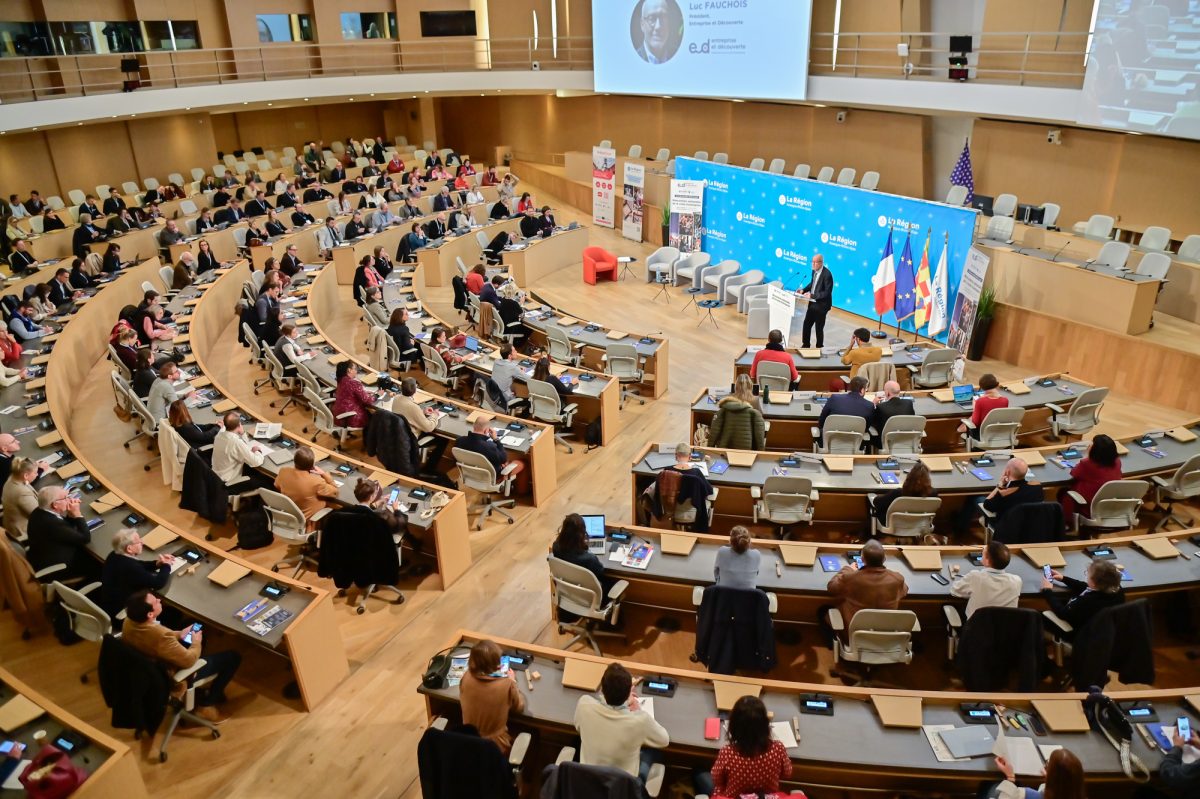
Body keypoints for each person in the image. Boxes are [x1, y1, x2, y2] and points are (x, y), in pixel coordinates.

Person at [122, 589, 241, 725]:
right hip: (173, 675)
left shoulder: (129, 621)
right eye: (156, 602)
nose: (159, 600)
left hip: (150, 664)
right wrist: (196, 642)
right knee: (233, 658)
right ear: (150, 614)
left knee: (192, 623)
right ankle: (207, 705)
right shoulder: (162, 637)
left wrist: (179, 634)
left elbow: (156, 636)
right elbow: (189, 661)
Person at [574, 662, 669, 783]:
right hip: (622, 789)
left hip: (588, 785)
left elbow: (578, 727)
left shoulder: (584, 705)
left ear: (602, 688)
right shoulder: (640, 721)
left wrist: (625, 702)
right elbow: (664, 740)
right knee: (654, 752)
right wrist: (637, 710)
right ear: (629, 692)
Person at [693, 695, 793, 799]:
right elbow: (787, 773)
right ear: (765, 724)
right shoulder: (778, 749)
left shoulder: (728, 753)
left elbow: (716, 779)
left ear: (734, 726)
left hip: (733, 797)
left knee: (698, 772)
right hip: (766, 797)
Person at [459, 639, 526, 755]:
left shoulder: (466, 678)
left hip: (467, 743)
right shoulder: (507, 684)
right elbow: (519, 707)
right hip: (495, 748)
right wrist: (513, 681)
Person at [954, 458, 1043, 537]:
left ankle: (960, 528)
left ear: (1007, 472)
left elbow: (987, 504)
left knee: (973, 497)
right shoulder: (1037, 487)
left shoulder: (1004, 493)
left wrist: (1000, 485)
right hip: (1029, 527)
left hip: (1005, 528)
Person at [26, 486, 98, 582]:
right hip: (58, 569)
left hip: (42, 556)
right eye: (65, 498)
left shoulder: (39, 512)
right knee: (97, 565)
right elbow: (85, 538)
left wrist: (70, 515)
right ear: (55, 505)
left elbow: (64, 528)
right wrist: (78, 515)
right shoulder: (51, 523)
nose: (69, 499)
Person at [827, 539, 907, 624]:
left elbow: (832, 587)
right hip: (885, 627)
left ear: (862, 559)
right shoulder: (897, 579)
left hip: (855, 627)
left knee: (824, 609)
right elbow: (904, 591)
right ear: (884, 559)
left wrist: (848, 569)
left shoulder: (850, 578)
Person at [99, 529, 174, 619]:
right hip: (122, 610)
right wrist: (166, 565)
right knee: (172, 614)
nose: (142, 542)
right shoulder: (131, 567)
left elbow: (138, 564)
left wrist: (157, 564)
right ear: (129, 549)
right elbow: (158, 583)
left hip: (109, 600)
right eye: (138, 541)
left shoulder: (115, 554)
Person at [1041, 558, 1124, 632]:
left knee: (1039, 616)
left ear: (1094, 583)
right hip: (1103, 631)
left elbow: (1063, 613)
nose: (1086, 575)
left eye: (1087, 573)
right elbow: (1087, 587)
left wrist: (1047, 590)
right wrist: (1064, 579)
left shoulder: (1087, 601)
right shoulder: (1117, 590)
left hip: (1078, 634)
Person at [949, 540, 1022, 619]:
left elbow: (954, 590)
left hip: (976, 626)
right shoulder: (1017, 581)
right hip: (1005, 626)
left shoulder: (975, 577)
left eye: (983, 553)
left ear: (987, 561)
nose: (981, 553)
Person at [454, 416, 527, 494]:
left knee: (501, 460)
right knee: (522, 463)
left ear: (474, 426)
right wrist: (496, 439)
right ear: (486, 430)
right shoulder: (489, 446)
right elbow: (504, 459)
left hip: (470, 476)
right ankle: (521, 494)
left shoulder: (459, 441)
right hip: (490, 478)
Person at [1058, 434, 1123, 519]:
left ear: (1095, 450)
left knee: (1062, 492)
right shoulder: (1117, 462)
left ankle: (1066, 521)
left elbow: (1074, 473)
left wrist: (1088, 456)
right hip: (1108, 506)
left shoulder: (1087, 464)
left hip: (1088, 506)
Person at [391, 377, 448, 471]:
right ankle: (429, 469)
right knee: (443, 440)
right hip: (411, 438)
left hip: (399, 435)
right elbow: (429, 428)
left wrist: (422, 412)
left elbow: (407, 413)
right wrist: (434, 415)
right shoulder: (413, 407)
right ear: (415, 389)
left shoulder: (396, 398)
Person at [274, 445, 338, 524]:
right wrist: (324, 474)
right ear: (312, 466)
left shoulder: (283, 471)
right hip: (306, 521)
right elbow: (335, 492)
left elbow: (277, 485)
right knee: (337, 506)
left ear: (294, 461)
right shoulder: (316, 481)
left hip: (288, 514)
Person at [993, 747, 1086, 799]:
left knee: (992, 786)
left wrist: (1010, 776)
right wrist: (1051, 778)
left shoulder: (1029, 795)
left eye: (1048, 764)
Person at [551, 513, 612, 591]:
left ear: (564, 530)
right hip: (590, 594)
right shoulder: (590, 559)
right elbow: (601, 573)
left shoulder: (555, 547)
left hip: (566, 591)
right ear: (582, 534)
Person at [816, 376, 875, 449]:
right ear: (862, 390)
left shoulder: (834, 398)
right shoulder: (869, 406)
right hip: (855, 447)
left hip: (828, 444)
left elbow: (821, 422)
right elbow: (865, 428)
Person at [212, 412, 269, 488]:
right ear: (239, 425)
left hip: (216, 477)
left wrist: (243, 434)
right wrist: (257, 451)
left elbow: (244, 446)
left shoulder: (219, 435)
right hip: (229, 482)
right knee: (265, 481)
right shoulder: (236, 442)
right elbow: (256, 462)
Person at [708, 387, 766, 451]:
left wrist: (709, 448)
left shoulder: (721, 412)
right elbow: (760, 436)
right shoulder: (755, 413)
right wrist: (761, 452)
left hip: (725, 449)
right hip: (746, 450)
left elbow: (714, 431)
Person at [959, 373, 1009, 439]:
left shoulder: (980, 401)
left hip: (981, 435)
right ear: (997, 385)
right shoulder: (1005, 400)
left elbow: (975, 423)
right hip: (998, 434)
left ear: (982, 387)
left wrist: (975, 408)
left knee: (960, 429)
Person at [798, 254, 833, 348]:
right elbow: (813, 283)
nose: (813, 264)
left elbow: (827, 292)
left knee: (819, 328)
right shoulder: (814, 271)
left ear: (821, 263)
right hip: (813, 303)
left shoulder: (827, 275)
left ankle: (819, 347)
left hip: (822, 306)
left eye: (815, 262)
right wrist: (803, 290)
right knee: (806, 324)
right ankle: (806, 345)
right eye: (812, 262)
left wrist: (812, 295)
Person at [2, 458, 40, 542]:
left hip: (10, 524)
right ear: (26, 475)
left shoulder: (13, 478)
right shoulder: (23, 493)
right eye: (35, 472)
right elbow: (40, 515)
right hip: (24, 531)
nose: (37, 474)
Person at [332, 360, 377, 429]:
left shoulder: (341, 380)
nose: (357, 371)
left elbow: (349, 393)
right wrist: (377, 395)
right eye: (355, 369)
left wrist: (363, 392)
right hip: (352, 418)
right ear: (349, 370)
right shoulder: (354, 383)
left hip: (338, 415)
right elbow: (367, 400)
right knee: (376, 417)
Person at [872, 380, 915, 445]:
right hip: (906, 441)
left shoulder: (881, 407)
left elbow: (874, 423)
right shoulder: (908, 403)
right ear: (899, 391)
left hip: (886, 443)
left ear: (887, 393)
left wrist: (873, 405)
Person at [496, 281, 528, 345]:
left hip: (504, 326)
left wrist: (518, 304)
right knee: (528, 328)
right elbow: (522, 315)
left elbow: (511, 308)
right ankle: (519, 343)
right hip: (510, 327)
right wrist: (522, 304)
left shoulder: (503, 300)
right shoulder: (514, 303)